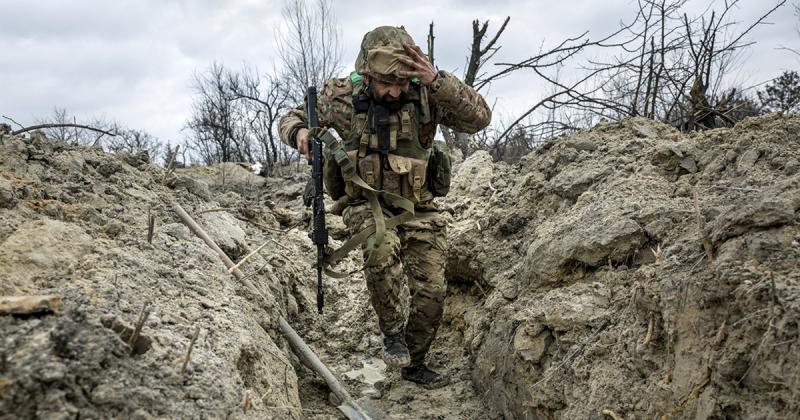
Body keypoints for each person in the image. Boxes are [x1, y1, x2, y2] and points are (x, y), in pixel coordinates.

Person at [278, 25, 491, 389]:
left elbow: (479, 118)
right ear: (368, 75)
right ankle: (392, 332)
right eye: (386, 84)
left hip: (418, 207)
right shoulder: (342, 96)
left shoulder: (428, 91)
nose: (395, 91)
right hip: (365, 202)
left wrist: (438, 80)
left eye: (401, 83)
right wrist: (298, 132)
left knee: (432, 290)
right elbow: (290, 118)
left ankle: (415, 360)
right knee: (381, 245)